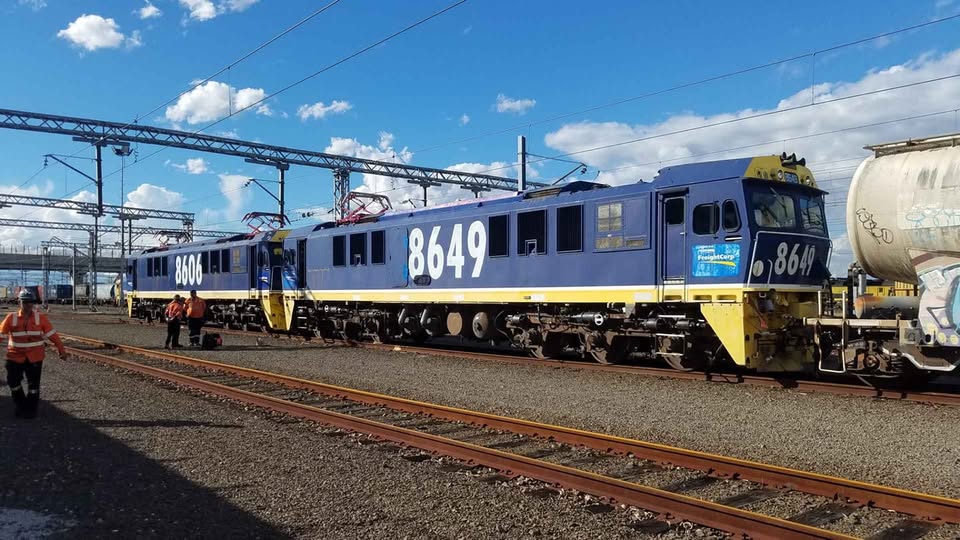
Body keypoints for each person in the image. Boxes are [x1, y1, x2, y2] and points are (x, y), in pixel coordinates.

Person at [0, 289, 67, 418]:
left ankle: (30, 410)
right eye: (25, 302)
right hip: (15, 357)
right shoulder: (11, 318)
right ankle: (22, 404)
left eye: (30, 302)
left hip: (35, 357)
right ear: (19, 302)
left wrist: (61, 350)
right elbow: (0, 335)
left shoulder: (40, 318)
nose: (28, 305)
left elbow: (53, 335)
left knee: (33, 386)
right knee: (13, 382)